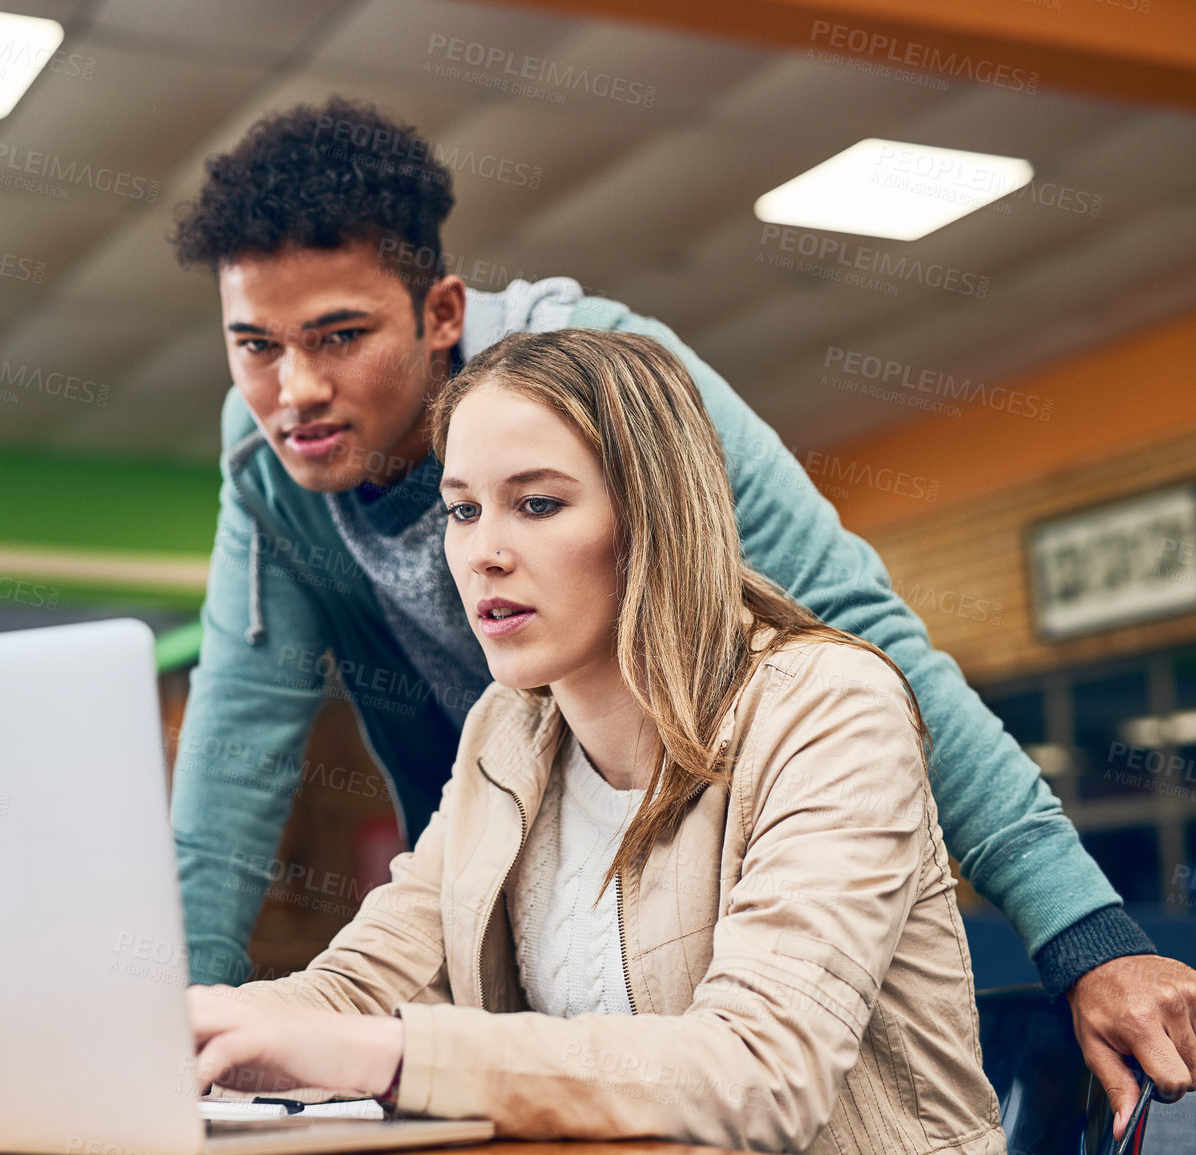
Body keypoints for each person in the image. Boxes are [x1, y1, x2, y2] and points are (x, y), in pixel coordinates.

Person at [165, 95, 1196, 1127]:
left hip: (723, 812)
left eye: (339, 336)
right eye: (459, 509)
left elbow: (865, 647)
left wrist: (1085, 936)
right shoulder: (496, 729)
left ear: (440, 314)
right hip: (541, 796)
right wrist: (168, 1029)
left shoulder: (628, 405)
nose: (293, 389)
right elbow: (236, 750)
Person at [187, 328, 1006, 1153]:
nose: (482, 554)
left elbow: (760, 1072)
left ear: (654, 515)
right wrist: (203, 1026)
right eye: (462, 509)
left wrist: (391, 1055)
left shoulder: (827, 710)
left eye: (537, 504)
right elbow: (368, 983)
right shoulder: (506, 729)